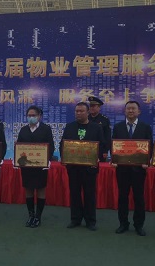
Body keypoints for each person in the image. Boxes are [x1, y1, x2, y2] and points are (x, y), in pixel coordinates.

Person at [60, 102, 105, 231]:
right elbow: (62, 144)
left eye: (81, 111)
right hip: (73, 167)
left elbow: (102, 145)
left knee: (89, 194)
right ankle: (75, 219)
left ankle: (90, 221)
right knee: (74, 193)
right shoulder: (70, 127)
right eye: (76, 111)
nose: (78, 113)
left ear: (88, 112)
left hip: (89, 168)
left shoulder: (96, 127)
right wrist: (64, 157)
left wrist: (98, 158)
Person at [112, 100, 153, 236]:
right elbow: (114, 145)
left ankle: (139, 225)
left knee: (139, 197)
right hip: (122, 169)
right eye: (128, 108)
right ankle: (123, 223)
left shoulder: (145, 127)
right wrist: (114, 159)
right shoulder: (118, 127)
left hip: (139, 169)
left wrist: (147, 161)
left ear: (138, 111)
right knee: (122, 197)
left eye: (133, 109)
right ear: (124, 111)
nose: (130, 111)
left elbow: (150, 146)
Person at [16, 105, 54, 228]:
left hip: (40, 165)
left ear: (39, 116)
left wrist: (47, 160)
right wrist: (17, 160)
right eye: (29, 115)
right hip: (27, 166)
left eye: (34, 115)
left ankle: (38, 216)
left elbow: (51, 146)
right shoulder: (23, 130)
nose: (31, 117)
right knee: (28, 189)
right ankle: (31, 215)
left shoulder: (46, 129)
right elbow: (19, 146)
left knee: (41, 189)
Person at [88, 96, 111, 161]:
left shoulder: (104, 119)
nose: (91, 108)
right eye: (90, 106)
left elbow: (107, 136)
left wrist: (105, 150)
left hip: (100, 150)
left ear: (99, 107)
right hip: (87, 148)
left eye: (93, 106)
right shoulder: (86, 118)